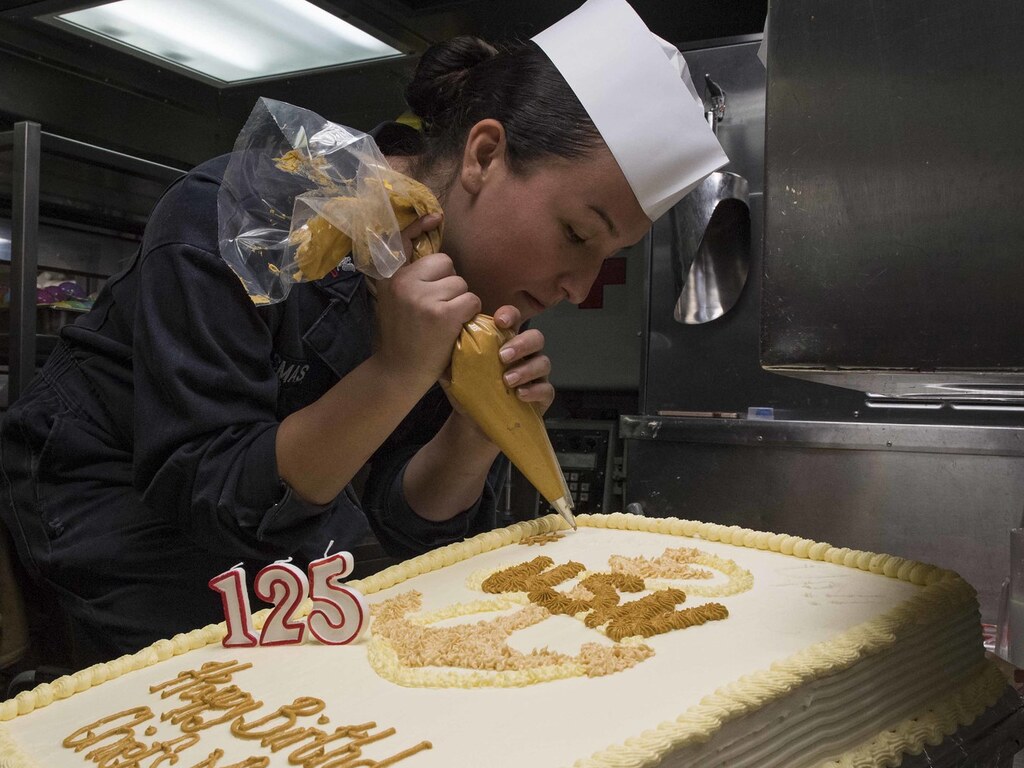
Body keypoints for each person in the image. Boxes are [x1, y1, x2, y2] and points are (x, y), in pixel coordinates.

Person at [0, 0, 724, 670]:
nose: (578, 286)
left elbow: (405, 523)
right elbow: (214, 495)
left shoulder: (462, 283)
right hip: (109, 528)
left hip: (285, 569)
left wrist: (475, 432)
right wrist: (395, 373)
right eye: (576, 234)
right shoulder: (239, 218)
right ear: (482, 155)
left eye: (606, 259)